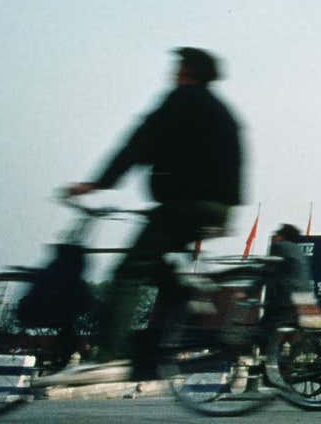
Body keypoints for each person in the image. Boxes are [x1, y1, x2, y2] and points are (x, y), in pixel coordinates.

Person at [50, 47, 242, 384]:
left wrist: (98, 183)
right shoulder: (221, 110)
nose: (173, 72)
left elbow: (139, 143)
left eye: (178, 67)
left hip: (185, 203)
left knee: (129, 272)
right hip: (217, 206)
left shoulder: (182, 100)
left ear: (188, 72)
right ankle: (179, 321)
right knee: (162, 270)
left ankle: (110, 353)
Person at [259, 224, 316, 329]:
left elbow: (266, 271)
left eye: (276, 234)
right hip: (306, 297)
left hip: (288, 297)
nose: (274, 236)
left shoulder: (279, 247)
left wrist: (249, 291)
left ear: (282, 236)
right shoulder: (299, 251)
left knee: (265, 329)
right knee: (307, 333)